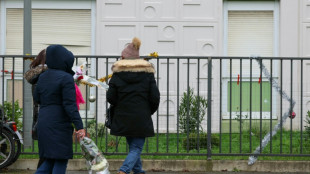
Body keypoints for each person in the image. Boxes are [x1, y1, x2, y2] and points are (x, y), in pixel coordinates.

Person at [107, 37, 160, 174]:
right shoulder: (147, 75)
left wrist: (120, 107)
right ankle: (123, 171)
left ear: (124, 58)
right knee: (136, 148)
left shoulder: (117, 76)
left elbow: (111, 98)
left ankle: (138, 171)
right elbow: (155, 97)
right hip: (141, 116)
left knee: (134, 147)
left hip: (123, 117)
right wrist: (148, 111)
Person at [33, 45, 85, 174]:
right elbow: (70, 105)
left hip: (44, 121)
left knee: (49, 161)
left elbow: (37, 98)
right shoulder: (66, 78)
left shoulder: (42, 76)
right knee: (61, 160)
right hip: (59, 124)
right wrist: (79, 126)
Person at [24, 49, 47, 169]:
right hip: (47, 116)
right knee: (47, 156)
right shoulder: (45, 75)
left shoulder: (37, 75)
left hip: (38, 115)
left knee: (44, 154)